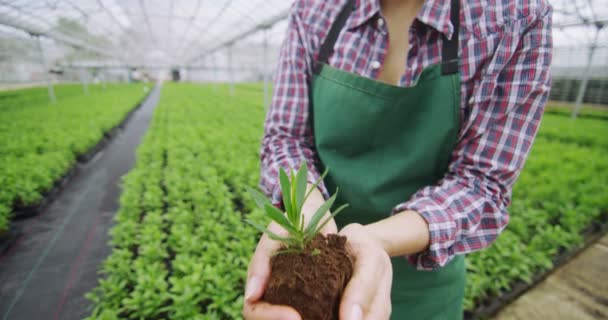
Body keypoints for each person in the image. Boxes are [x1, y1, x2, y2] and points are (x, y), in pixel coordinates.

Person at [244, 0, 552, 318]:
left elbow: (481, 181)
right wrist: (307, 209)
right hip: (318, 271)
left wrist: (375, 240)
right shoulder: (315, 9)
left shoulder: (514, 15)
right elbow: (287, 137)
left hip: (423, 287)